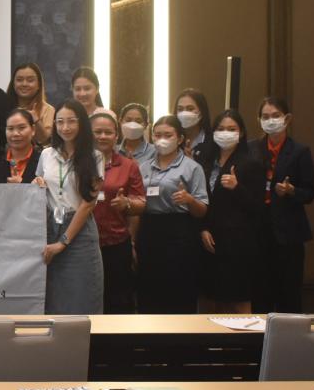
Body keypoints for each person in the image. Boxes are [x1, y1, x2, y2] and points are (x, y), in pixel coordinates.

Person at [247, 96, 314, 314]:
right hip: (259, 231)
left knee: (289, 293)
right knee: (260, 293)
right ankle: (260, 335)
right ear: (259, 120)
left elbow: (310, 193)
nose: (271, 120)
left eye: (275, 115)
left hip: (288, 233)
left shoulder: (300, 152)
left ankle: (291, 335)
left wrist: (291, 190)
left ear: (287, 119)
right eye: (265, 116)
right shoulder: (251, 149)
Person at [34, 100, 104, 314]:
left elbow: (88, 204)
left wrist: (63, 242)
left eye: (71, 121)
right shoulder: (46, 154)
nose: (65, 127)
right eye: (60, 122)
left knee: (82, 299)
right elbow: (39, 184)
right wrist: (37, 183)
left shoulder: (95, 156)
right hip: (50, 227)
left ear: (82, 123)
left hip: (79, 231)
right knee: (52, 299)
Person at [136, 115, 209, 314]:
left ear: (180, 138)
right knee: (149, 289)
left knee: (179, 290)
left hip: (179, 232)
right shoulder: (143, 167)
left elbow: (202, 210)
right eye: (157, 135)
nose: (162, 139)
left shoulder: (192, 167)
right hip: (149, 230)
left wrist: (189, 199)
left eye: (168, 135)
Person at [197, 109, 263, 314]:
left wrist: (237, 187)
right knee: (209, 301)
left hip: (238, 244)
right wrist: (202, 228)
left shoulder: (251, 163)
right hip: (209, 240)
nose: (225, 133)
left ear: (241, 133)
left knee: (237, 300)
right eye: (221, 128)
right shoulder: (205, 162)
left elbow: (257, 207)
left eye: (231, 129)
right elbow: (201, 199)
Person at [90, 110, 146, 314]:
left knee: (118, 301)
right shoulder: (77, 164)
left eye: (108, 132)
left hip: (116, 244)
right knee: (87, 298)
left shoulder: (128, 166)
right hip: (84, 244)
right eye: (97, 132)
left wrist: (127, 203)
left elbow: (141, 203)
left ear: (116, 136)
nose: (102, 136)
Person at [7, 62, 54, 145]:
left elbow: (46, 141)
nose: (24, 84)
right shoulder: (4, 106)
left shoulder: (48, 110)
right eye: (19, 80)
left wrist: (36, 120)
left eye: (30, 80)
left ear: (39, 85)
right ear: (13, 84)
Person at [0, 108, 41, 184]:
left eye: (21, 128)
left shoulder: (43, 162)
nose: (15, 133)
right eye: (10, 129)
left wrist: (22, 184)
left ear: (33, 129)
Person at [174, 87, 214, 161]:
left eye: (190, 109)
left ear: (201, 112)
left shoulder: (213, 141)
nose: (184, 113)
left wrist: (192, 164)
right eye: (180, 109)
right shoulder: (172, 139)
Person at [117, 102, 156, 167]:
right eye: (128, 120)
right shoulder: (113, 151)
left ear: (146, 125)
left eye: (138, 121)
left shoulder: (155, 152)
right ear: (120, 121)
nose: (132, 125)